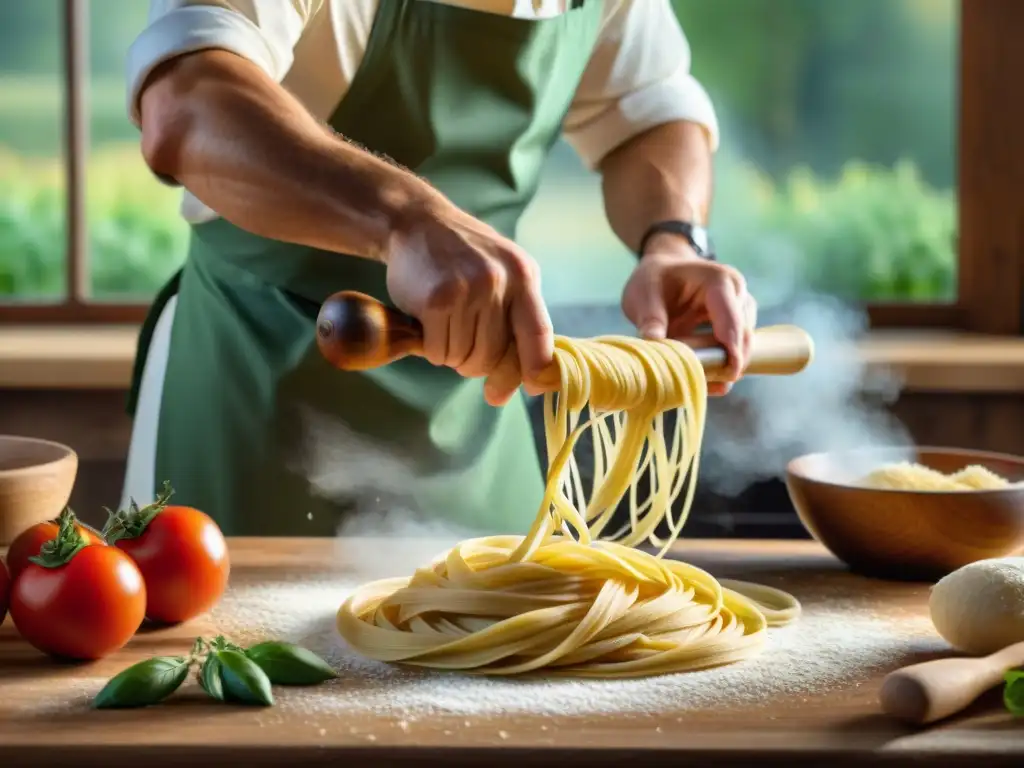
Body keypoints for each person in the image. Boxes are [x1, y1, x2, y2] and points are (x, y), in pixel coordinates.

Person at [120, 0, 757, 537]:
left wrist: (672, 238)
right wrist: (405, 219)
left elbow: (648, 107)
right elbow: (188, 104)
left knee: (513, 662)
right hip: (254, 394)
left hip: (479, 416)